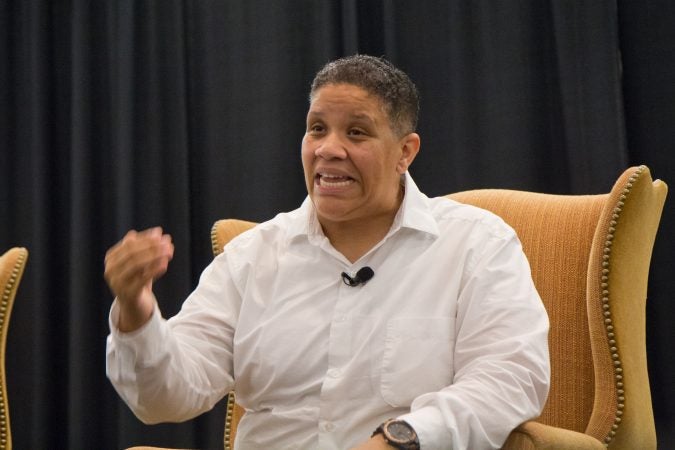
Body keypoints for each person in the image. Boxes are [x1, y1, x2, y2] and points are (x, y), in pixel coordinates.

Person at [105, 54, 550, 450]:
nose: (328, 149)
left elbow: (509, 380)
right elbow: (164, 399)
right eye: (317, 129)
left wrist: (400, 439)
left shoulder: (475, 244)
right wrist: (137, 309)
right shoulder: (253, 256)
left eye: (356, 132)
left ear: (405, 152)